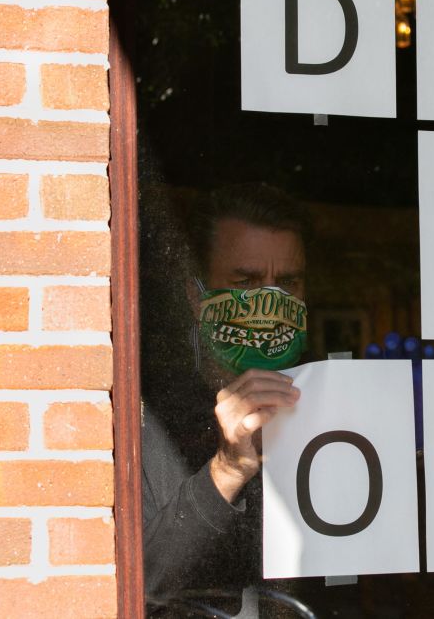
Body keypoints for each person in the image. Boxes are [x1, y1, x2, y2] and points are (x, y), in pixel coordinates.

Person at [141, 183, 311, 601]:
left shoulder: (322, 393)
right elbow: (145, 581)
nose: (271, 301)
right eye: (247, 280)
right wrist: (227, 469)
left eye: (287, 282)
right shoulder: (150, 413)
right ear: (196, 296)